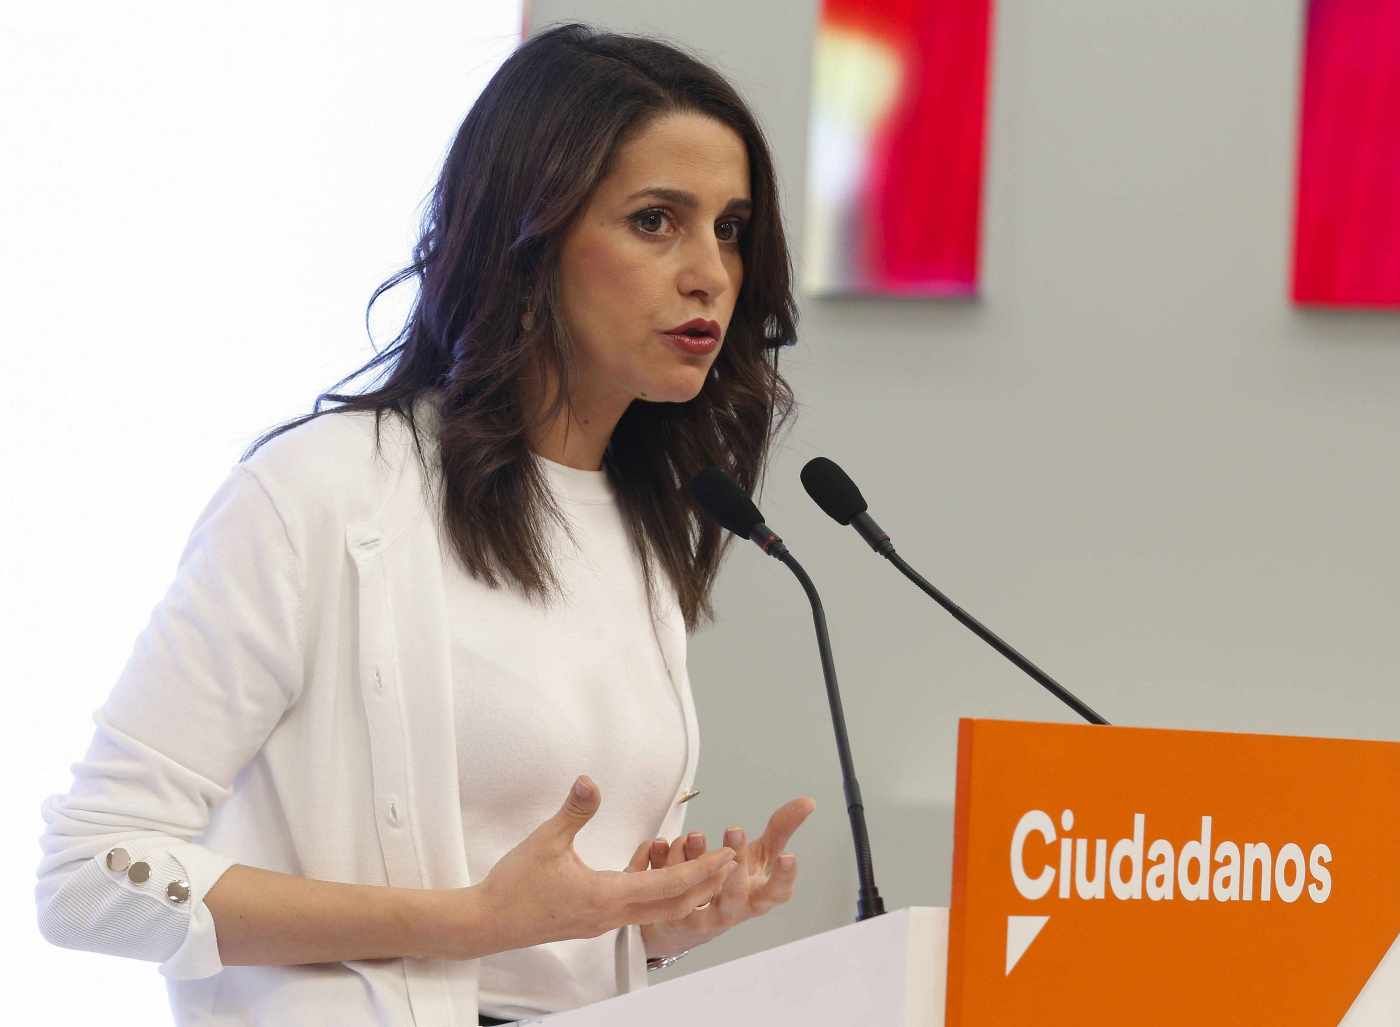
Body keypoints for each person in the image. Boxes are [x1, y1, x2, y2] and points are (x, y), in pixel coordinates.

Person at [35, 21, 815, 1026]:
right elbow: (91, 872)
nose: (709, 270)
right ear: (527, 238)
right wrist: (470, 920)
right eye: (656, 220)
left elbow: (537, 933)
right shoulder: (321, 492)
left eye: (731, 228)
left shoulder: (645, 525)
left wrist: (651, 917)